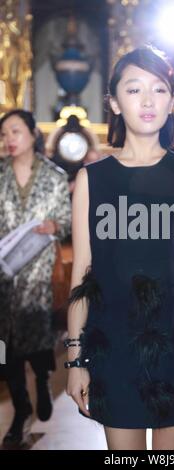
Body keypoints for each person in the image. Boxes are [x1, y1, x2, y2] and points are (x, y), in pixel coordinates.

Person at [66, 46, 174, 450]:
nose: (149, 100)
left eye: (159, 89)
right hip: (114, 346)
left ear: (173, 102)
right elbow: (82, 274)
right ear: (114, 103)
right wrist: (74, 359)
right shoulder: (92, 180)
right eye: (134, 90)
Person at [0, 109, 72, 448]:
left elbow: (68, 221)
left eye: (15, 131)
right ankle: (20, 409)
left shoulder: (55, 177)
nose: (9, 139)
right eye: (4, 134)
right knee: (5, 348)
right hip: (3, 273)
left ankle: (43, 379)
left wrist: (55, 227)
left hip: (40, 272)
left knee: (39, 336)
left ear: (32, 133)